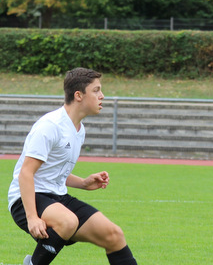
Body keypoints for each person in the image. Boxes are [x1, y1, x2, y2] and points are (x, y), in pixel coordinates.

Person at [8, 67, 137, 265]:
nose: (102, 96)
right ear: (78, 95)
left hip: (57, 197)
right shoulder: (50, 126)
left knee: (114, 235)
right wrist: (32, 217)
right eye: (96, 90)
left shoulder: (79, 129)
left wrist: (84, 183)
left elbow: (54, 171)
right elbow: (26, 173)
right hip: (26, 199)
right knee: (67, 221)